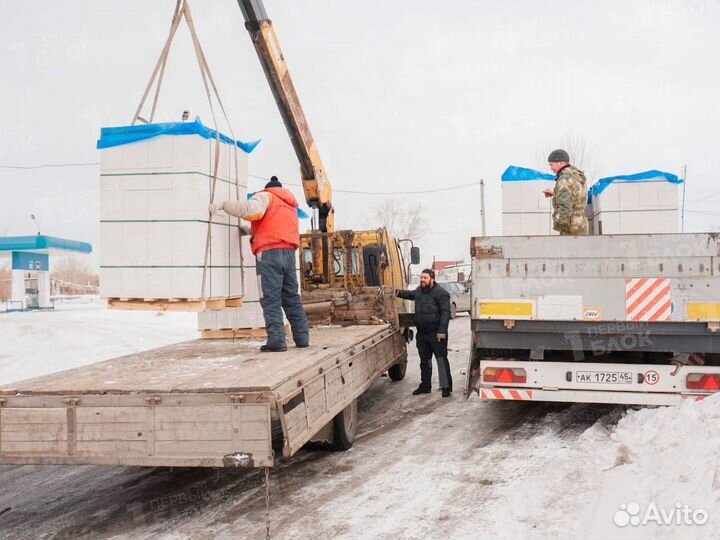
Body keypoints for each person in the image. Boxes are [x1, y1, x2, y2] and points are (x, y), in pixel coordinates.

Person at [210, 176, 309, 352]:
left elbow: (251, 210)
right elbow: (273, 226)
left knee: (270, 298)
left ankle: (277, 340)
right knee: (291, 297)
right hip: (288, 254)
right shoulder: (290, 204)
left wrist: (225, 204)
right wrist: (250, 230)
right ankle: (302, 338)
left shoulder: (265, 196)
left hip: (269, 255)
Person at [396, 269, 453, 397]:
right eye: (421, 277)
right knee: (424, 361)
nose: (422, 280)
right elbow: (409, 294)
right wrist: (397, 292)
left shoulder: (441, 293)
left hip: (437, 334)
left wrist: (442, 331)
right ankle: (425, 385)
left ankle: (446, 387)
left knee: (441, 360)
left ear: (432, 278)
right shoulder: (419, 291)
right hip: (422, 334)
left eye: (425, 278)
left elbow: (445, 313)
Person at [543, 149, 589, 235]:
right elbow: (576, 197)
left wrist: (560, 227)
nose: (551, 168)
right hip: (581, 224)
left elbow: (565, 208)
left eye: (552, 165)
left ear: (560, 163)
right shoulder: (576, 176)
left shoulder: (564, 179)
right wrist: (555, 193)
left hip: (570, 228)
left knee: (567, 248)